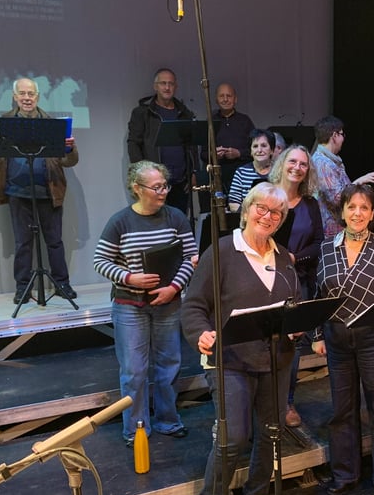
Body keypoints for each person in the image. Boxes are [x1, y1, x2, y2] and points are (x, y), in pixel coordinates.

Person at [181, 182, 299, 495]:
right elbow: (193, 305)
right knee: (233, 438)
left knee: (271, 434)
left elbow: (293, 304)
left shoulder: (284, 258)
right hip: (230, 360)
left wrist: (296, 325)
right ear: (246, 210)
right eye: (262, 208)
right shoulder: (221, 253)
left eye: (276, 212)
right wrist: (200, 333)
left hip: (275, 360)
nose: (268, 216)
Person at [93, 161, 197, 447]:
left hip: (168, 303)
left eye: (165, 186)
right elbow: (100, 261)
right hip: (130, 305)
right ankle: (136, 429)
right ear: (137, 188)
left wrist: (174, 288)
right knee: (134, 371)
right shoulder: (120, 221)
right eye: (156, 187)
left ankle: (168, 420)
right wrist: (129, 277)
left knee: (169, 365)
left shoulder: (175, 217)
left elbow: (191, 258)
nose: (163, 192)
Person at [311, 183, 374, 495]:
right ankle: (345, 475)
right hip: (337, 340)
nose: (357, 213)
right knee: (342, 412)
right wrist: (317, 335)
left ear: (372, 214)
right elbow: (319, 296)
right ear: (342, 211)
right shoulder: (327, 248)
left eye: (364, 207)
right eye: (352, 207)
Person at [0, 77, 79, 304]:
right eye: (22, 94)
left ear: (37, 97)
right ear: (15, 97)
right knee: (22, 243)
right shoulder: (4, 123)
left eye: (31, 93)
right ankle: (23, 287)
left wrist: (70, 148)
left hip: (49, 191)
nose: (27, 98)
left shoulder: (51, 123)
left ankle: (61, 284)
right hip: (17, 192)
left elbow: (70, 162)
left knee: (54, 241)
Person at [268, 144, 324, 427]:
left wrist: (294, 257)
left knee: (293, 343)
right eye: (293, 161)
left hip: (297, 279)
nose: (297, 168)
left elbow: (319, 243)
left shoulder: (310, 204)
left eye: (303, 164)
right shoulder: (265, 194)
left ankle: (286, 402)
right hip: (264, 278)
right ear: (282, 163)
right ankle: (264, 402)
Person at [127, 68, 196, 217]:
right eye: (163, 83)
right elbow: (133, 144)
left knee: (178, 222)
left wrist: (193, 172)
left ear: (176, 87)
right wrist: (141, 175)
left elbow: (191, 146)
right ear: (155, 86)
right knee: (154, 222)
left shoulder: (184, 113)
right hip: (153, 185)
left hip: (180, 182)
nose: (167, 87)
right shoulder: (142, 113)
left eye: (171, 84)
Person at [310, 116, 374, 237]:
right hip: (332, 232)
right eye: (342, 134)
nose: (343, 139)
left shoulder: (330, 161)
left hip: (338, 229)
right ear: (334, 136)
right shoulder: (322, 163)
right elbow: (338, 198)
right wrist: (360, 181)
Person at [201, 82, 255, 194]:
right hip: (217, 178)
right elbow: (203, 154)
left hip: (242, 177)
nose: (225, 99)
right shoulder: (210, 122)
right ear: (216, 100)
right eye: (222, 96)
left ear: (235, 99)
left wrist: (239, 153)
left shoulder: (245, 121)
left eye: (229, 96)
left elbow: (256, 151)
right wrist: (214, 155)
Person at [227, 128, 275, 211]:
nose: (259, 150)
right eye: (255, 146)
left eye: (264, 146)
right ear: (251, 152)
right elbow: (233, 204)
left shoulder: (280, 171)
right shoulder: (241, 172)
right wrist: (251, 214)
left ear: (272, 150)